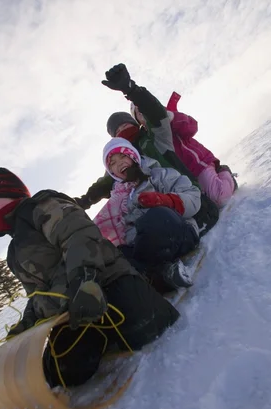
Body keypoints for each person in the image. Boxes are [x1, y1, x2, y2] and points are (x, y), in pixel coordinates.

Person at [0, 167, 180, 389]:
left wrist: (85, 280)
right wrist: (25, 325)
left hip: (105, 282)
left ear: (13, 194)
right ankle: (99, 336)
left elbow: (78, 234)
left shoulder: (40, 207)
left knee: (147, 327)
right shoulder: (14, 252)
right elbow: (37, 294)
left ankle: (158, 277)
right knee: (62, 374)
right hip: (72, 311)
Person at [75, 64, 219, 237]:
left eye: (126, 124)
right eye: (118, 129)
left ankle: (191, 226)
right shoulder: (118, 162)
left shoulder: (155, 140)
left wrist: (132, 90)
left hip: (188, 200)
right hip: (149, 213)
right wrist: (83, 201)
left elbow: (157, 115)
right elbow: (103, 184)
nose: (123, 128)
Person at [94, 138, 201, 290]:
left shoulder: (158, 175)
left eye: (123, 156)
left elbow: (194, 197)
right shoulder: (119, 199)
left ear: (133, 156)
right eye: (112, 163)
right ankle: (161, 276)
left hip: (179, 232)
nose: (119, 163)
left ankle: (151, 273)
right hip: (146, 249)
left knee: (154, 217)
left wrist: (166, 200)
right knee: (116, 255)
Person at [131, 91, 237, 207]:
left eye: (143, 107)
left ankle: (224, 172)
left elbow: (192, 126)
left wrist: (171, 117)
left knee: (219, 198)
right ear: (138, 121)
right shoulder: (146, 141)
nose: (142, 111)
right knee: (201, 204)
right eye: (138, 112)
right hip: (182, 176)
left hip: (197, 164)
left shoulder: (166, 118)